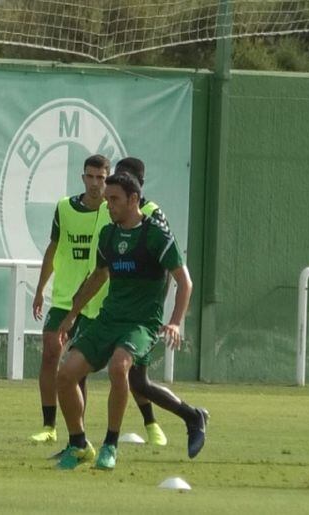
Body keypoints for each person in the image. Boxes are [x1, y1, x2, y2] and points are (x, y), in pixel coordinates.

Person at [53, 173, 193, 471]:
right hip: (108, 319)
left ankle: (110, 444)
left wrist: (176, 322)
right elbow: (98, 276)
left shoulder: (157, 235)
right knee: (65, 376)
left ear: (133, 199)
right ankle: (78, 444)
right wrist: (72, 315)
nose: (109, 206)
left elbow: (185, 282)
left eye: (114, 200)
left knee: (120, 367)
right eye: (107, 200)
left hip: (141, 323)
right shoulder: (108, 235)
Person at [113, 156, 208, 457]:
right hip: (119, 307)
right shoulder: (113, 210)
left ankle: (89, 442)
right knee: (136, 380)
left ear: (138, 186)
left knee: (129, 376)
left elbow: (169, 266)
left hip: (142, 313)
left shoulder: (151, 214)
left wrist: (162, 313)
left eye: (125, 177)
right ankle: (192, 417)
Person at [29, 155, 125, 443]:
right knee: (49, 352)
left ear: (108, 179)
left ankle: (77, 433)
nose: (95, 183)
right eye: (90, 177)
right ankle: (49, 426)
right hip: (63, 297)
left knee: (75, 367)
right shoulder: (64, 208)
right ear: (82, 177)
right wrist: (39, 289)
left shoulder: (114, 212)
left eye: (101, 178)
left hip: (96, 302)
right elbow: (53, 247)